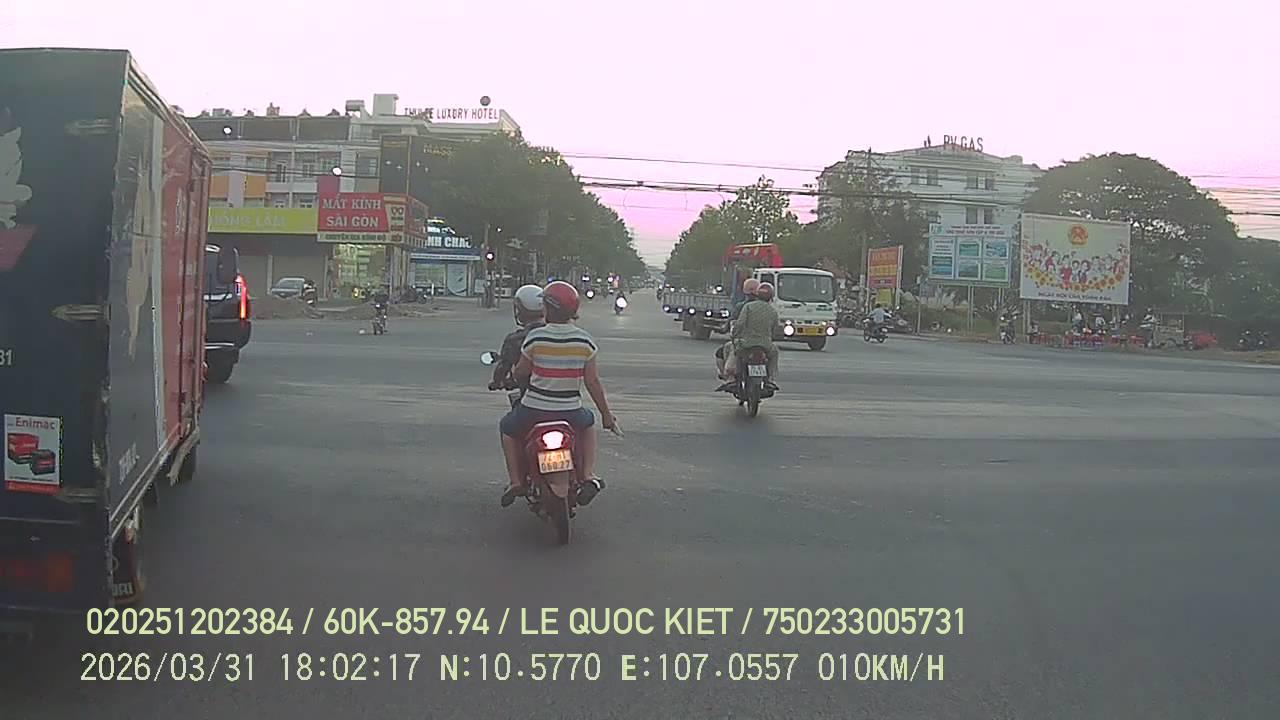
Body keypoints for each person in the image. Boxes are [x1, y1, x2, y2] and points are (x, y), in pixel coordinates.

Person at [500, 281, 617, 507]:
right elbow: (592, 382)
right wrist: (606, 415)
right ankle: (588, 475)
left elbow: (521, 371)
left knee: (507, 428)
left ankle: (515, 481)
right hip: (570, 412)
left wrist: (514, 375)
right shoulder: (585, 340)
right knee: (588, 424)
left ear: (546, 309)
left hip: (533, 410)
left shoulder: (536, 338)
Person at [721, 281, 780, 390]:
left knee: (732, 349)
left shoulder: (748, 307)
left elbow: (740, 324)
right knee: (775, 352)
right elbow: (775, 329)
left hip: (746, 343)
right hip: (765, 345)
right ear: (771, 297)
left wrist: (734, 335)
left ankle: (731, 377)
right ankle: (771, 379)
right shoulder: (773, 311)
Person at [489, 284, 545, 391]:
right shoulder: (558, 335)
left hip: (533, 396)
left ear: (520, 309)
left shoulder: (515, 340)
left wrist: (497, 382)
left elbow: (503, 367)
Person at [715, 277, 760, 379]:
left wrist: (726, 328)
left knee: (721, 353)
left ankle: (728, 378)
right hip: (763, 344)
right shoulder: (766, 307)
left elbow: (734, 322)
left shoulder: (741, 307)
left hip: (743, 343)